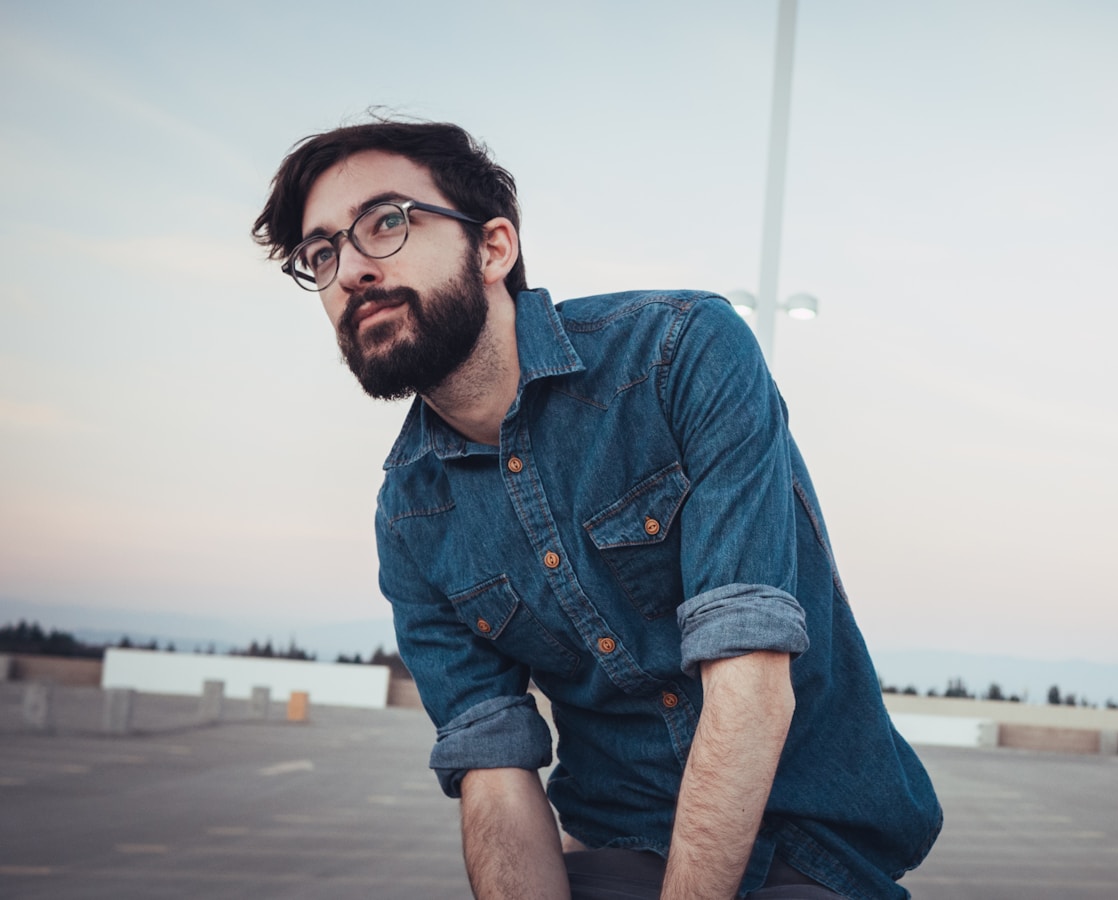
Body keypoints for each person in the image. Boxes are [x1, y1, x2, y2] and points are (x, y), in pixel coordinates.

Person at [252, 119, 941, 900]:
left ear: (493, 248)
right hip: (617, 851)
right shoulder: (410, 517)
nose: (350, 272)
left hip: (815, 851)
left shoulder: (679, 355)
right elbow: (494, 773)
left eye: (386, 223)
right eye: (322, 254)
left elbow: (750, 676)